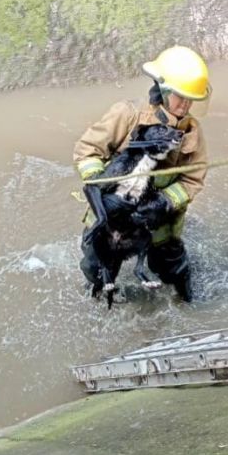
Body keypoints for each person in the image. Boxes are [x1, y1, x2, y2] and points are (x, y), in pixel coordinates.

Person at [73, 45, 210, 301]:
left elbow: (193, 179)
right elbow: (87, 150)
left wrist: (165, 201)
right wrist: (101, 188)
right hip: (109, 219)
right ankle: (103, 296)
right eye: (180, 96)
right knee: (96, 270)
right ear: (163, 89)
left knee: (174, 270)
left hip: (157, 223)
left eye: (191, 98)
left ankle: (188, 305)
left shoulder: (192, 132)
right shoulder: (128, 115)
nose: (186, 104)